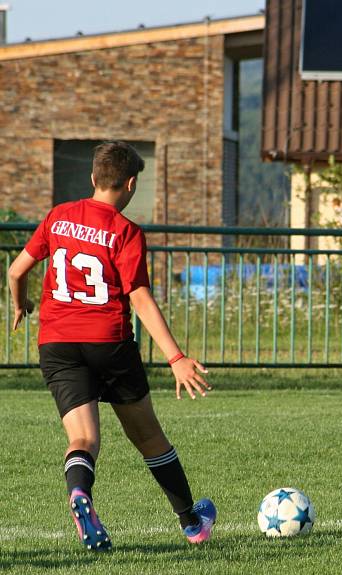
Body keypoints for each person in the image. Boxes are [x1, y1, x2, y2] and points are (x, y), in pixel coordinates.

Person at [7, 141, 216, 551]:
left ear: (93, 179)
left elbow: (16, 271)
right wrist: (176, 357)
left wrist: (21, 304)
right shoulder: (125, 231)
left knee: (83, 439)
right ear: (132, 183)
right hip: (109, 342)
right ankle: (192, 523)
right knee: (150, 438)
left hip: (57, 342)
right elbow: (138, 296)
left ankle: (80, 492)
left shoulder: (58, 216)